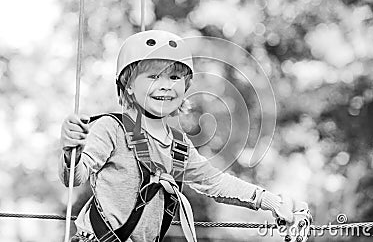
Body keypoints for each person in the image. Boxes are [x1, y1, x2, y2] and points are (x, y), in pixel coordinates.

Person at [59, 30, 311, 242]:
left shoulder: (179, 146)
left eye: (175, 77)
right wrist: (73, 151)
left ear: (186, 87)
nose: (166, 84)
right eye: (153, 76)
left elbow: (216, 183)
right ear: (128, 86)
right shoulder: (111, 128)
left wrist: (271, 201)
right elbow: (75, 176)